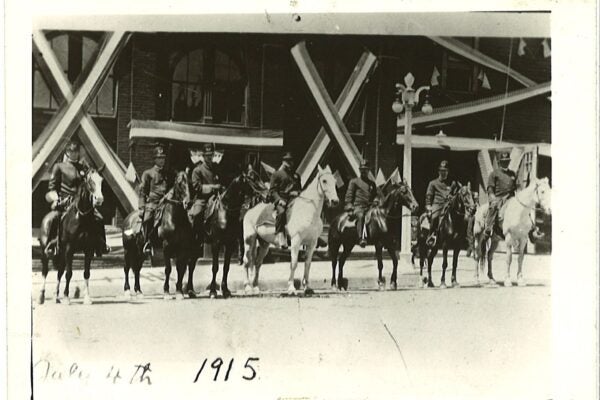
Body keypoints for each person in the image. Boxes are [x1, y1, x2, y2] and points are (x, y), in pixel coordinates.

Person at [44, 138, 109, 257]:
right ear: (66, 152)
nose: (73, 153)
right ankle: (51, 245)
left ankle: (101, 245)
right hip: (65, 201)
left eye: (76, 151)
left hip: (81, 201)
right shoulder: (59, 167)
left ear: (78, 152)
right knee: (54, 219)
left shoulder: (83, 167)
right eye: (71, 151)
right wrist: (55, 198)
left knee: (99, 218)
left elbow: (91, 182)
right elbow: (52, 186)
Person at [138, 144, 172, 256]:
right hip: (153, 203)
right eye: (159, 158)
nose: (162, 160)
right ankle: (147, 242)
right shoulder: (148, 173)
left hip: (166, 202)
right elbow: (142, 191)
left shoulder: (168, 174)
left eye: (163, 158)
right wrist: (142, 207)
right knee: (147, 218)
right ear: (155, 159)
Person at [189, 143, 222, 240]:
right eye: (207, 156)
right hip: (202, 199)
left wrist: (220, 188)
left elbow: (221, 182)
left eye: (211, 155)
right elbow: (197, 187)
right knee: (196, 214)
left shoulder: (216, 168)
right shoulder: (197, 170)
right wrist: (213, 187)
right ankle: (196, 238)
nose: (209, 158)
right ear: (203, 156)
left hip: (216, 198)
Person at [269, 152, 301, 249]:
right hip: (282, 199)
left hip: (293, 199)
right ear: (283, 162)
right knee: (282, 212)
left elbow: (300, 189)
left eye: (291, 161)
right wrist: (279, 200)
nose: (290, 163)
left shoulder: (296, 176)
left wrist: (297, 192)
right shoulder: (277, 174)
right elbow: (273, 191)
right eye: (287, 161)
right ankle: (280, 234)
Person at [344, 160, 378, 248]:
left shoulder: (372, 184)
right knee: (361, 216)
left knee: (379, 216)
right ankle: (361, 238)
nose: (364, 171)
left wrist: (376, 200)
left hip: (369, 207)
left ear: (369, 171)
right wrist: (349, 206)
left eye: (366, 169)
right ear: (359, 170)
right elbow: (349, 195)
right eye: (362, 169)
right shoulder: (354, 181)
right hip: (358, 207)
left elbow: (375, 195)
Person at [484, 151, 517, 238]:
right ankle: (488, 228)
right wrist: (492, 196)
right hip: (499, 197)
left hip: (511, 198)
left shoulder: (513, 174)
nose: (505, 163)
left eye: (507, 161)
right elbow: (490, 187)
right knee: (494, 206)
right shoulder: (494, 173)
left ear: (509, 161)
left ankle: (532, 229)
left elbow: (517, 186)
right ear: (500, 162)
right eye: (503, 161)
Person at [425, 160, 456, 247]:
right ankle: (432, 235)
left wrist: (452, 197)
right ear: (439, 171)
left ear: (448, 172)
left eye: (445, 171)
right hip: (437, 205)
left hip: (448, 205)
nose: (444, 173)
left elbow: (455, 194)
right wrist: (428, 206)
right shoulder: (433, 183)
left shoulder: (452, 183)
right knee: (434, 217)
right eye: (442, 171)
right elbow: (428, 196)